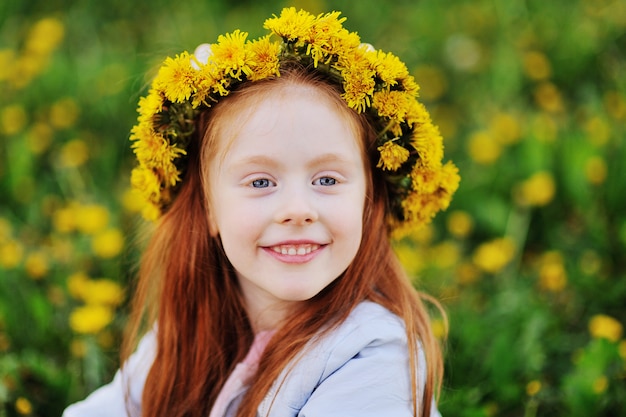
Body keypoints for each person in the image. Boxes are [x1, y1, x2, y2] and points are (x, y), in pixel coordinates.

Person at [63, 7, 460, 417]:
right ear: (208, 210)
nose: (297, 210)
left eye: (327, 180)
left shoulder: (374, 356)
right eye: (260, 182)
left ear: (368, 201)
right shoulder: (187, 335)